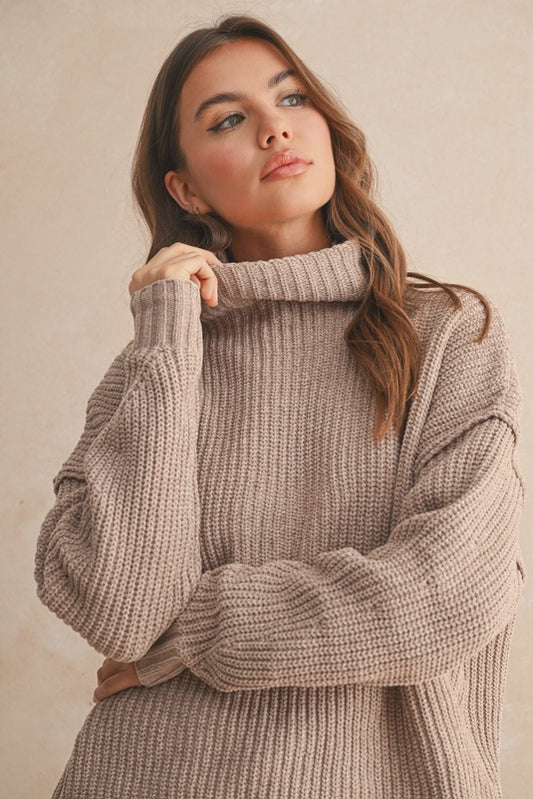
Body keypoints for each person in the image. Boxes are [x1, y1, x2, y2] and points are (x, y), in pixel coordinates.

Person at [35, 14, 526, 799]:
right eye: (229, 118)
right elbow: (120, 608)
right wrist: (167, 331)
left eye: (290, 97)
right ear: (186, 188)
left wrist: (189, 631)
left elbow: (446, 596)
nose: (273, 129)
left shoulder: (446, 336)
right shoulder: (156, 364)